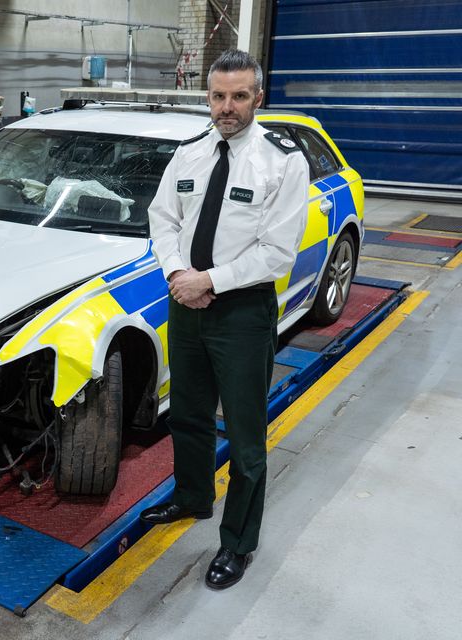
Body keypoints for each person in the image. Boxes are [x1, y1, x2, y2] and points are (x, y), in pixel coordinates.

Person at [142, 49, 308, 590]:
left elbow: (278, 251)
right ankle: (192, 498)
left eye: (239, 96)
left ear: (258, 98)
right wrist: (176, 275)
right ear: (207, 97)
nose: (227, 107)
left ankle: (238, 542)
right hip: (184, 301)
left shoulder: (283, 161)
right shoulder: (190, 154)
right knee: (187, 415)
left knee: (244, 435)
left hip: (240, 312)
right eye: (218, 96)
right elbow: (162, 218)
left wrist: (208, 281)